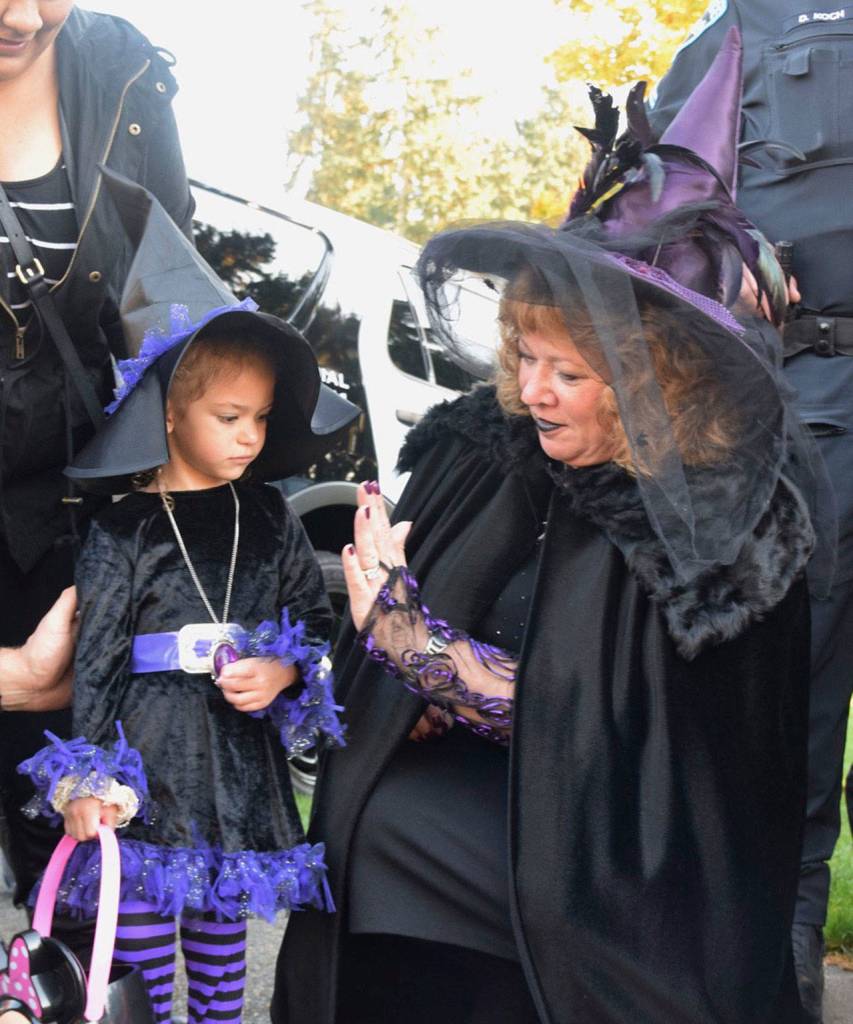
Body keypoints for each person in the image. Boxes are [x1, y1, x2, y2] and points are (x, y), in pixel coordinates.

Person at [271, 33, 819, 1024]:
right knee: (379, 821)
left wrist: (413, 645)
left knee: (452, 857)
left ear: (660, 379)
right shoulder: (496, 454)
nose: (530, 390)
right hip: (502, 798)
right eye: (524, 354)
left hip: (625, 865)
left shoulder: (717, 521)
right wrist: (405, 686)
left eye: (568, 373)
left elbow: (606, 737)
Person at [15, 170, 359, 1024]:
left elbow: (315, 623)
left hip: (235, 776)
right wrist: (87, 777)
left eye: (262, 418)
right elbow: (92, 666)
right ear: (170, 413)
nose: (251, 437)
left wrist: (283, 671)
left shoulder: (271, 515)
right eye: (230, 416)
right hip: (146, 773)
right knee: (135, 963)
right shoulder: (124, 525)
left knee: (218, 961)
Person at [647, 4, 853, 1020]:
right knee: (788, 745)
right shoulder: (746, 28)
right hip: (803, 425)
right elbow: (645, 213)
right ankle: (783, 984)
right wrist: (718, 260)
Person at [0, 0, 195, 950]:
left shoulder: (118, 66)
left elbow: (171, 303)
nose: (21, 14)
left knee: (84, 886)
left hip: (88, 534)